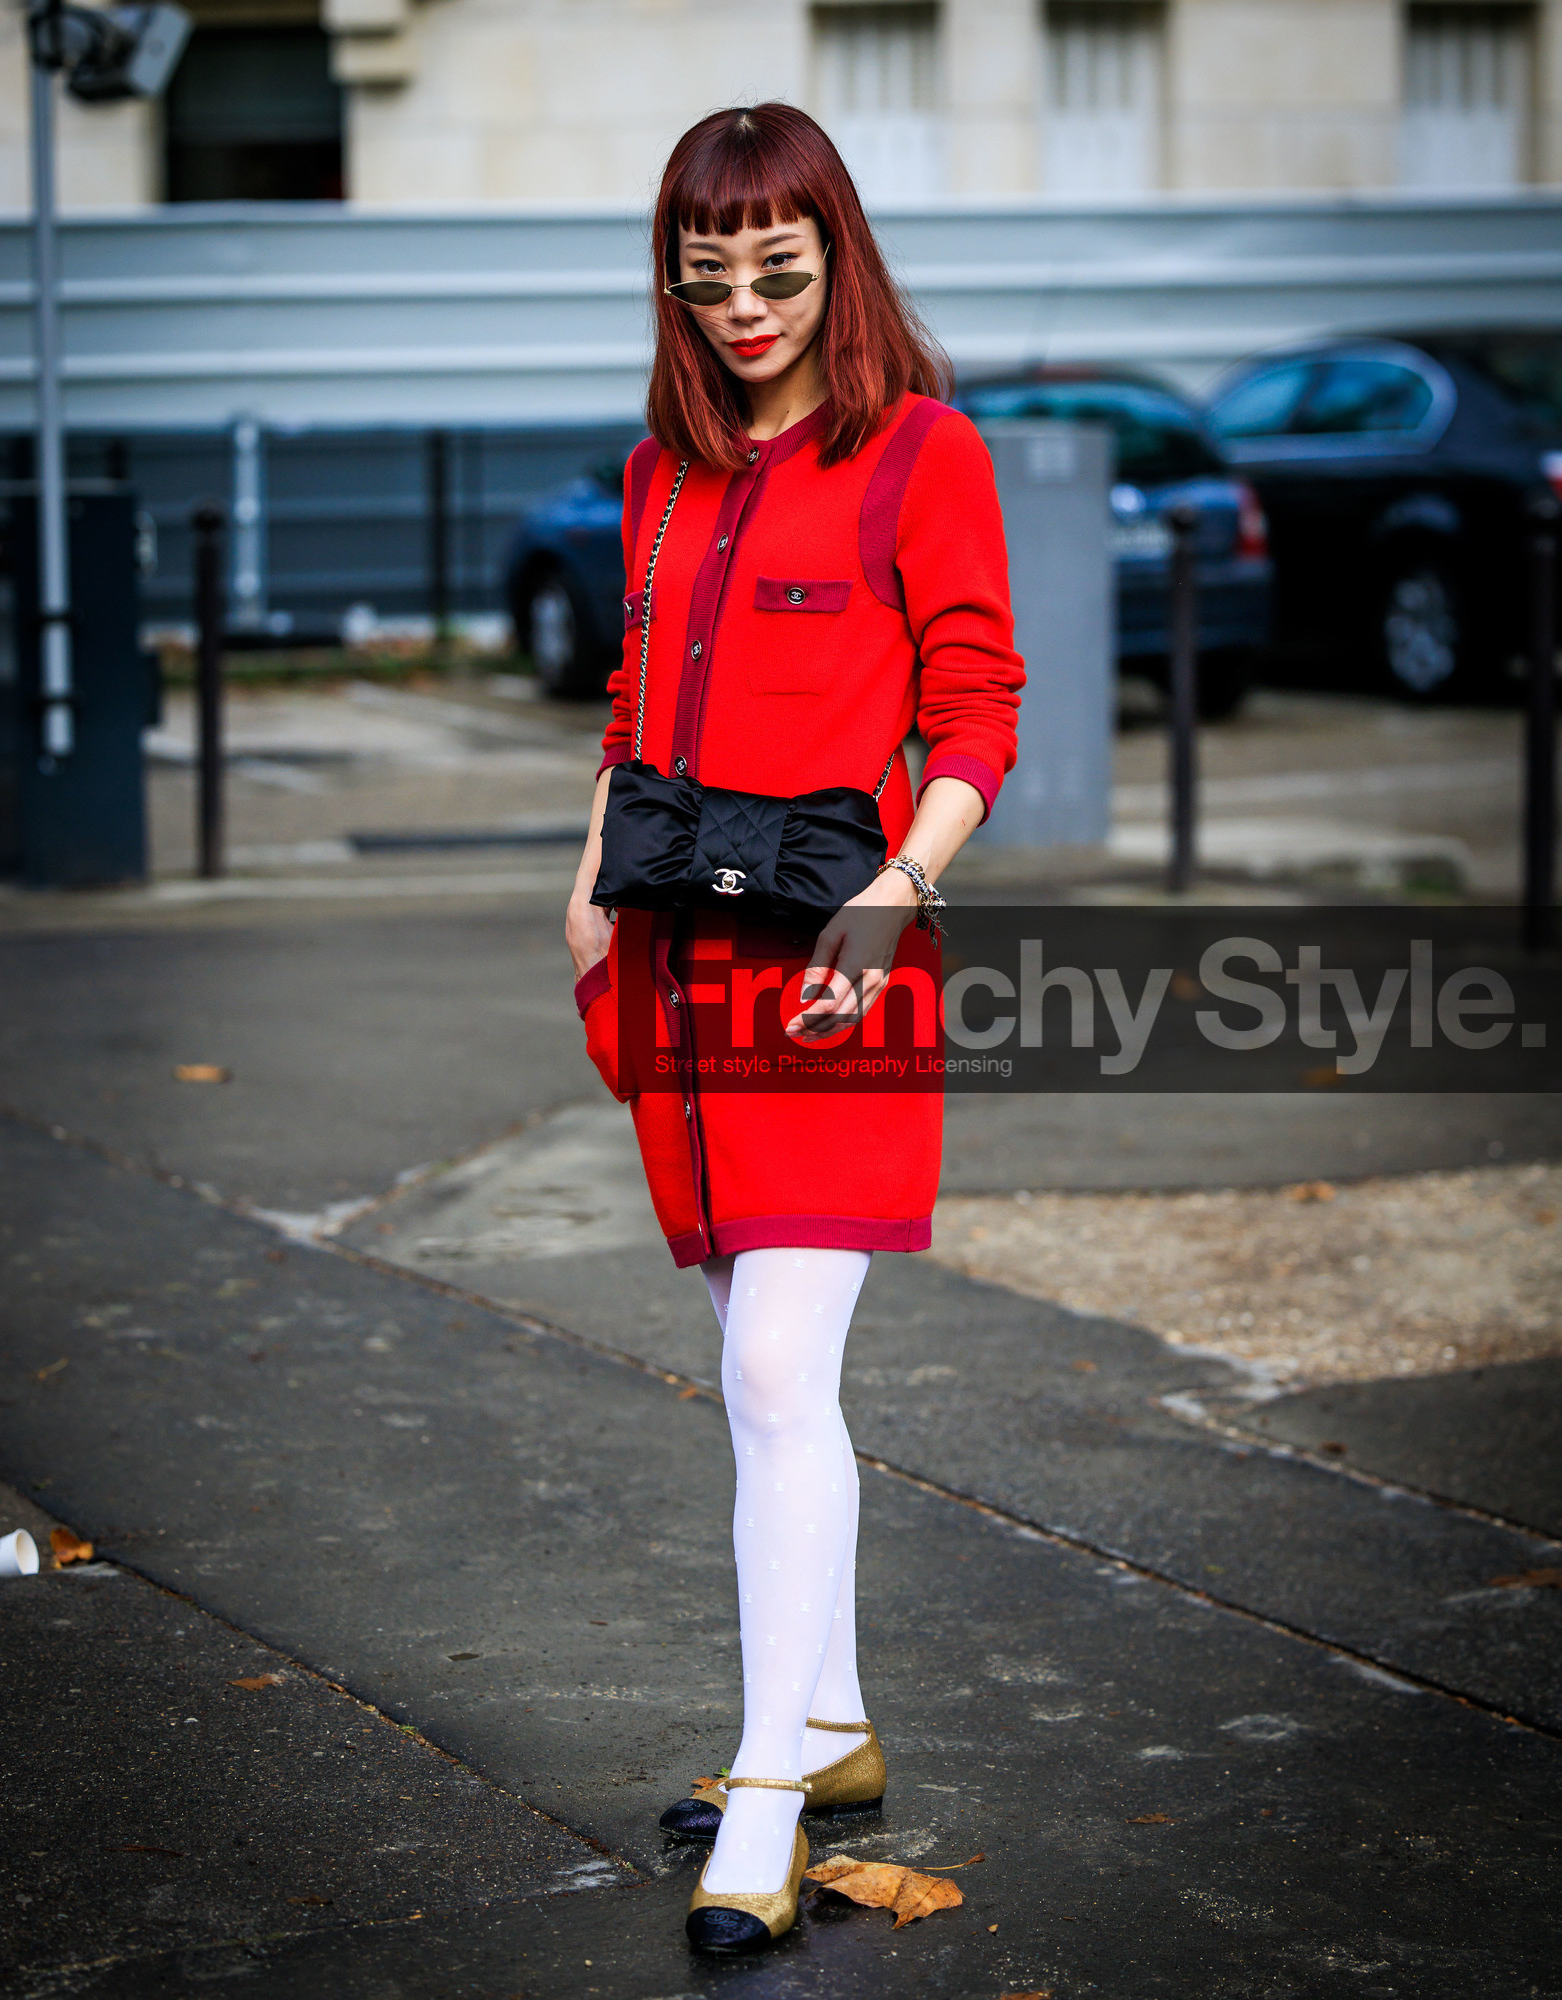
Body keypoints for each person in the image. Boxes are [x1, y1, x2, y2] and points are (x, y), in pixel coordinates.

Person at [565, 101, 1023, 1954]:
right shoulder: (658, 475)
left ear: (836, 255)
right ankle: (826, 1727)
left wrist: (900, 885)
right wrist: (583, 885)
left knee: (771, 1376)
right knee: (765, 1381)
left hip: (836, 969)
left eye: (779, 263)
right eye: (710, 269)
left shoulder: (924, 453)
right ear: (677, 276)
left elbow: (978, 706)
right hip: (674, 976)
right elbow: (630, 689)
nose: (745, 301)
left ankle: (767, 1791)